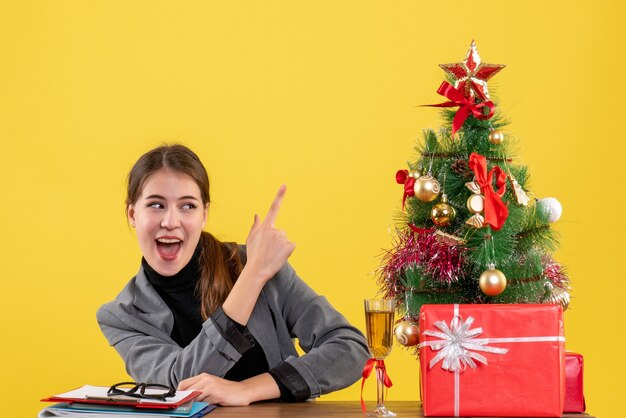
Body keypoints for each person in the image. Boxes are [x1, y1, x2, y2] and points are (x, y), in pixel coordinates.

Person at [97, 144, 370, 406]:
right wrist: (251, 279)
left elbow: (351, 349)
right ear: (133, 214)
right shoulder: (122, 317)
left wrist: (247, 390)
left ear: (204, 214)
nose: (170, 221)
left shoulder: (255, 262)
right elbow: (181, 385)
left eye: (187, 206)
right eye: (156, 205)